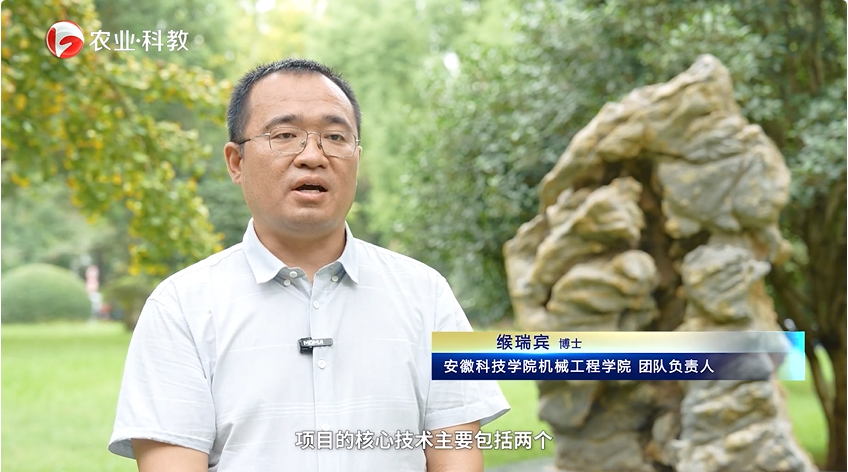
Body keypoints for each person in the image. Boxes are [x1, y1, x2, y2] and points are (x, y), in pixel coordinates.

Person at [108, 58, 510, 472]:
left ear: (357, 157)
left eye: (335, 136)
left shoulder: (428, 293)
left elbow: (456, 455)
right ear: (236, 162)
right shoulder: (179, 307)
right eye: (285, 135)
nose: (313, 156)